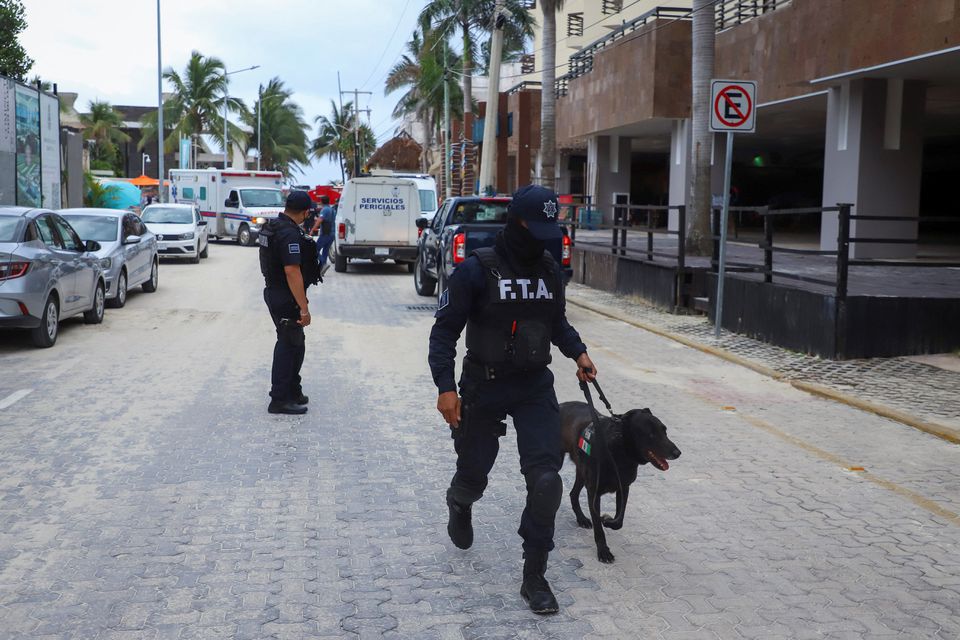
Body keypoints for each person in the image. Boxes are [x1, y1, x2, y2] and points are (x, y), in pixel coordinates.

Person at [428, 184, 597, 615]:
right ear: (516, 222)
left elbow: (556, 321)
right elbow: (444, 331)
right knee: (474, 474)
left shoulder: (547, 269)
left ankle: (534, 575)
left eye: (549, 226)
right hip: (483, 384)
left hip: (534, 385)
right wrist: (446, 387)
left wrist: (578, 353)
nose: (544, 236)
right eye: (535, 227)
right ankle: (460, 501)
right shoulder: (476, 270)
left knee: (546, 480)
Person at [259, 190, 322, 415]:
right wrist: (303, 307)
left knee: (296, 342)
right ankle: (279, 399)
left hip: (275, 291)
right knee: (288, 344)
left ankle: (293, 390)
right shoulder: (288, 233)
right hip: (284, 295)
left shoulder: (273, 226)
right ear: (305, 212)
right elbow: (292, 271)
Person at [310, 195, 336, 272]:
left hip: (325, 233)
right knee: (325, 251)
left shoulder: (324, 210)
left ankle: (323, 264)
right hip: (332, 233)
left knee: (314, 250)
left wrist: (312, 230)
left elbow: (319, 220)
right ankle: (322, 268)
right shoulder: (332, 210)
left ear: (321, 202)